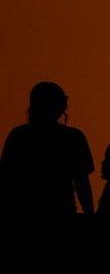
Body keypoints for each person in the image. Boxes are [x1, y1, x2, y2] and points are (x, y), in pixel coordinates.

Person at [1, 81, 95, 221]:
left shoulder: (18, 136)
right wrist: (90, 214)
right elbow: (82, 184)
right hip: (60, 211)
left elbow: (7, 181)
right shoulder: (73, 137)